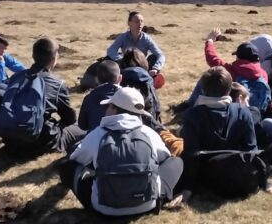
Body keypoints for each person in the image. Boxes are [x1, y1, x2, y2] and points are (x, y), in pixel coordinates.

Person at [64, 87, 183, 216]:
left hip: (103, 208)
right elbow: (163, 159)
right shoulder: (149, 133)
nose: (106, 110)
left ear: (114, 109)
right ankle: (158, 197)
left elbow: (76, 159)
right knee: (176, 162)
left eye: (109, 106)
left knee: (67, 167)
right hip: (147, 205)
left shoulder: (97, 134)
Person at [179, 68, 267, 199]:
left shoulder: (191, 116)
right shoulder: (243, 111)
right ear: (229, 90)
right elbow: (251, 150)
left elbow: (191, 155)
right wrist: (264, 182)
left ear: (202, 89)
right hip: (242, 175)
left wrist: (186, 188)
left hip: (208, 178)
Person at [0, 37, 82, 157]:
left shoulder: (16, 77)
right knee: (82, 127)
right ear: (54, 59)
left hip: (10, 141)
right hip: (39, 143)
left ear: (33, 55)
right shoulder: (57, 84)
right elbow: (69, 118)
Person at [106, 11, 165, 77]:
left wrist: (156, 68)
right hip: (126, 66)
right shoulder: (123, 37)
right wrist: (121, 59)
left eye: (141, 21)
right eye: (137, 21)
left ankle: (152, 80)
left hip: (142, 67)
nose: (140, 24)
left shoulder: (147, 39)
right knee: (109, 59)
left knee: (153, 57)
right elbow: (111, 50)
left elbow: (160, 55)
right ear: (129, 23)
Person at [78, 60, 121, 132]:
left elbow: (82, 126)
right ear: (120, 78)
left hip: (95, 139)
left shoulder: (89, 97)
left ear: (97, 79)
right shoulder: (127, 97)